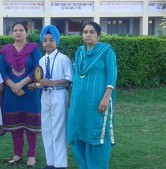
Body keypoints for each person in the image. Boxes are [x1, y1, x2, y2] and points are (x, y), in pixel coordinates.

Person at [67, 21, 117, 169]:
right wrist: (71, 96)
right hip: (79, 101)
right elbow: (77, 75)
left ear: (98, 35)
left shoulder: (106, 51)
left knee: (95, 131)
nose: (88, 34)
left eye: (91, 32)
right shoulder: (79, 51)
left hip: (97, 100)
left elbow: (112, 75)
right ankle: (84, 165)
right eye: (85, 32)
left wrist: (106, 97)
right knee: (78, 130)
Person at [0, 21, 42, 167]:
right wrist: (13, 86)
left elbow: (37, 69)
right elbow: (2, 71)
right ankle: (17, 154)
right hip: (11, 93)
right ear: (12, 33)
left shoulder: (34, 49)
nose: (17, 32)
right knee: (15, 126)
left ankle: (31, 155)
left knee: (31, 126)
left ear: (26, 32)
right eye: (15, 30)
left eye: (21, 30)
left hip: (30, 91)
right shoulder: (5, 50)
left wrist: (21, 84)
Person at [38, 25, 73, 169]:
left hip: (58, 94)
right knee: (46, 128)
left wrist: (51, 82)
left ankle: (60, 164)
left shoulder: (63, 59)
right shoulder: (41, 60)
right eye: (45, 40)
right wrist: (37, 84)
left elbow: (69, 79)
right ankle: (50, 162)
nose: (48, 43)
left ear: (57, 41)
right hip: (45, 95)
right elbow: (40, 79)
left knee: (58, 129)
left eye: (51, 40)